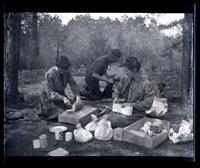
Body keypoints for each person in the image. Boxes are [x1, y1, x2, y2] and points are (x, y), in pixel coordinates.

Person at [106, 56, 155, 128]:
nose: (125, 73)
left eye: (126, 71)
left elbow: (147, 104)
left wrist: (131, 105)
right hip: (124, 110)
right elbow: (117, 87)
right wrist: (116, 96)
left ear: (134, 70)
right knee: (107, 117)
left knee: (115, 120)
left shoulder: (146, 84)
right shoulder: (126, 78)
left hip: (137, 114)